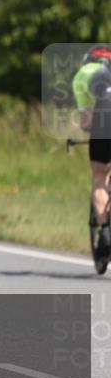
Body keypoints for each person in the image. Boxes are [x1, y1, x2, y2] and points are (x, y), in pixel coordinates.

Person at [72, 44, 111, 257]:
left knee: (99, 176)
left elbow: (86, 122)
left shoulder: (82, 75)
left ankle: (104, 232)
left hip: (105, 119)